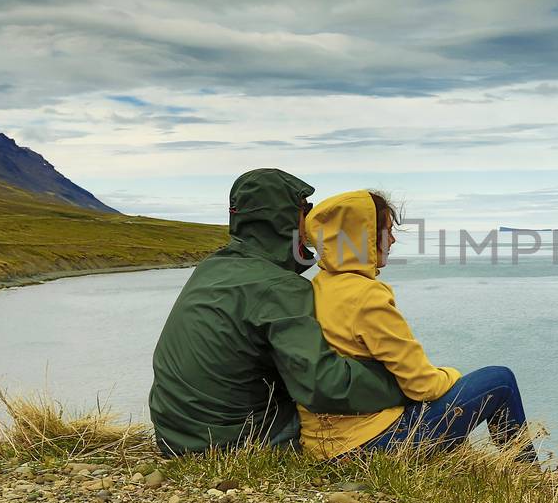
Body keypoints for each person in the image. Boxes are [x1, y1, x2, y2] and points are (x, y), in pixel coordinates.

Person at [148, 169, 408, 456]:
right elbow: (324, 386)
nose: (310, 221)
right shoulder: (280, 287)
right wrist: (403, 379)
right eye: (305, 209)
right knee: (369, 416)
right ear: (281, 217)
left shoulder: (213, 267)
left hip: (175, 435)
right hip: (232, 442)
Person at [298, 189, 537, 462]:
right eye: (387, 231)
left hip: (323, 445)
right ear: (363, 236)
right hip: (370, 445)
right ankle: (530, 477)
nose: (393, 239)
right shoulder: (366, 295)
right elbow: (422, 386)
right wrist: (452, 374)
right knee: (499, 380)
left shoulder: (318, 286)